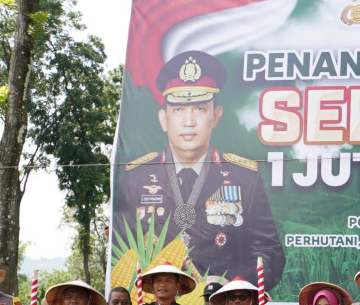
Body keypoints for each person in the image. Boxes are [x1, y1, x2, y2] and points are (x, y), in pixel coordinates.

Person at [115, 50, 284, 290]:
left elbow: (269, 253)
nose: (189, 121)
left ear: (215, 116)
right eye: (178, 110)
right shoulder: (136, 177)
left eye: (199, 109)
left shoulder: (244, 177)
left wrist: (232, 285)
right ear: (163, 119)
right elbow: (120, 250)